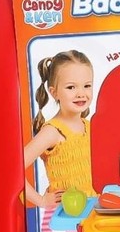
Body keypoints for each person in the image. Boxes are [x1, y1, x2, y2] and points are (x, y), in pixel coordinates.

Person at [24, 50, 96, 208]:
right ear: (54, 92)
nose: (81, 93)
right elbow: (13, 171)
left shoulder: (90, 126)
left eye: (87, 86)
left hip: (91, 209)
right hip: (63, 213)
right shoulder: (52, 131)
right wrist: (41, 201)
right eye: (71, 87)